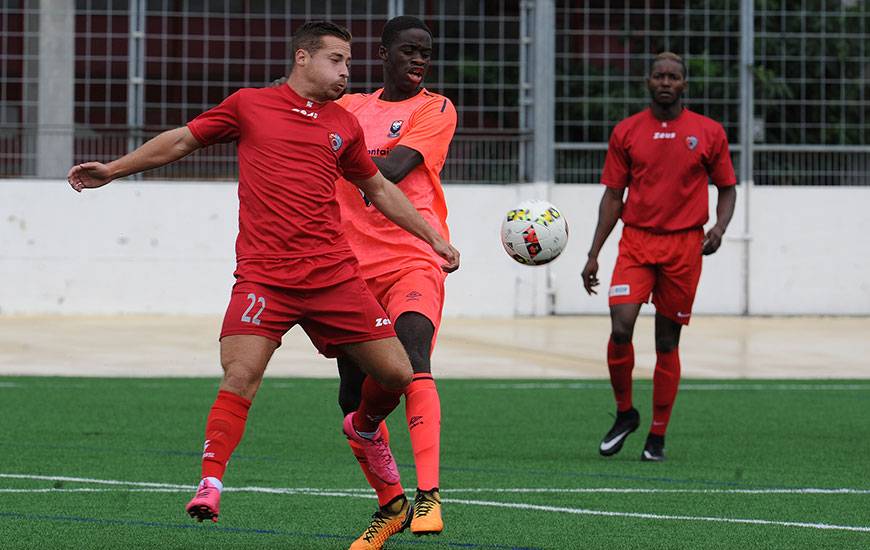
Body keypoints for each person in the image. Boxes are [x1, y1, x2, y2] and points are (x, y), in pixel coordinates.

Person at [66, 20, 460, 524]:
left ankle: (369, 441)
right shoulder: (250, 105)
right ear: (302, 57)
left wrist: (433, 238)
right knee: (241, 374)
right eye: (335, 60)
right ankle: (210, 483)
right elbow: (182, 140)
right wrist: (114, 170)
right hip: (265, 277)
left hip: (335, 276)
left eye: (348, 61)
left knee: (398, 373)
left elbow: (381, 189)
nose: (345, 71)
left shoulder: (345, 122)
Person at [334, 15, 456, 549]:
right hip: (348, 269)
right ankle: (390, 505)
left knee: (412, 362)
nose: (419, 60)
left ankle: (429, 494)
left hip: (413, 256)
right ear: (382, 52)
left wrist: (350, 154)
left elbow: (399, 166)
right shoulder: (349, 107)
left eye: (425, 53)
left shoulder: (434, 108)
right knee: (353, 400)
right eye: (409, 51)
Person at [581, 52, 736, 462]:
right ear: (648, 82)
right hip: (636, 242)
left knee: (667, 341)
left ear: (684, 84)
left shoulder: (708, 132)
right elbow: (613, 196)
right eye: (659, 75)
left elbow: (728, 188)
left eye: (673, 77)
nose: (665, 82)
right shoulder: (627, 132)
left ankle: (657, 434)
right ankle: (626, 413)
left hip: (685, 247)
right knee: (620, 326)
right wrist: (594, 252)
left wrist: (718, 229)